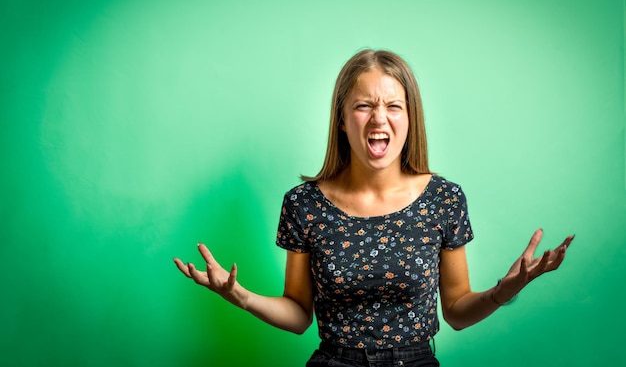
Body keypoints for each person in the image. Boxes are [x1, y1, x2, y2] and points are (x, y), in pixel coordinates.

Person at [173, 49, 574, 367]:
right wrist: (242, 297)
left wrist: (506, 290)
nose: (378, 117)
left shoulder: (444, 199)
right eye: (364, 105)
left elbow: (456, 311)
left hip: (415, 362)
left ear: (410, 119)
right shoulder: (304, 204)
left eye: (394, 106)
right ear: (342, 120)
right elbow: (298, 314)